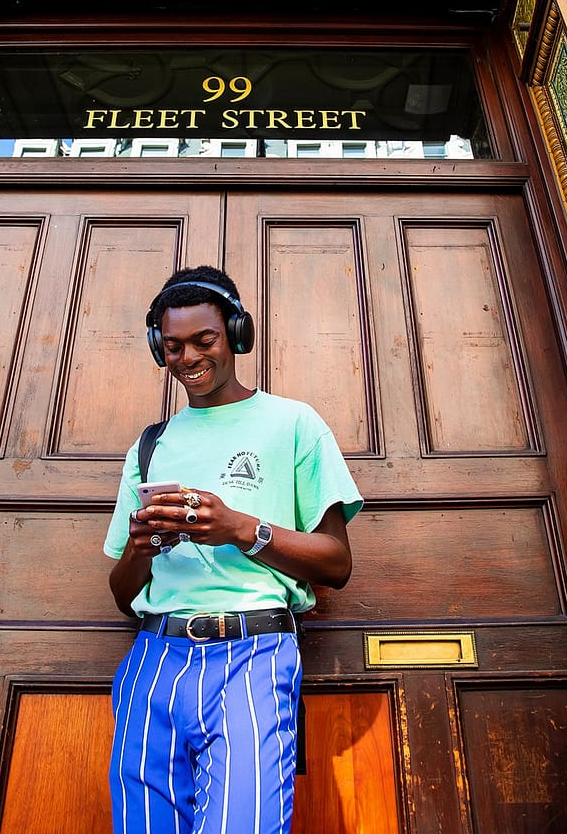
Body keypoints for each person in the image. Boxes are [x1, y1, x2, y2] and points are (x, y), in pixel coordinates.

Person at [104, 264, 362, 834]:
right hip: (154, 661)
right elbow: (124, 597)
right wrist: (142, 548)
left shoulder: (294, 424)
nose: (188, 358)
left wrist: (240, 528)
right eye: (172, 346)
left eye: (204, 340)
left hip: (254, 655)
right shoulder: (149, 447)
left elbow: (337, 564)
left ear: (236, 335)